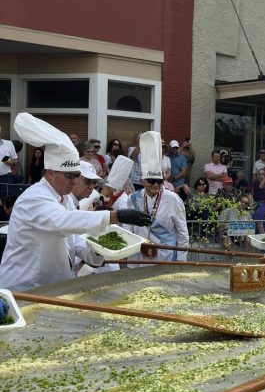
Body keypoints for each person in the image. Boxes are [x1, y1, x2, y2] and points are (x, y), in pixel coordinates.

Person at [0, 114, 150, 291]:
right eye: (69, 176)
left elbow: (76, 242)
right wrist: (115, 216)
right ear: (49, 173)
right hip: (24, 287)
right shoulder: (33, 199)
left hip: (54, 287)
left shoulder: (65, 200)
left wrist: (97, 251)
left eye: (77, 176)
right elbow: (63, 221)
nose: (74, 181)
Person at [125, 131, 189, 262]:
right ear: (142, 180)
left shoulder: (173, 199)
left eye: (159, 181)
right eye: (151, 181)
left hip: (166, 257)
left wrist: (181, 261)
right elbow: (128, 228)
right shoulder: (133, 198)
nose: (155, 185)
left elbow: (182, 231)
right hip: (139, 257)